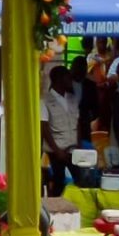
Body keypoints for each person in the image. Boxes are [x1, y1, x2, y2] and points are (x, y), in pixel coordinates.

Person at [40, 65, 81, 196]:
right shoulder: (45, 100)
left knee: (80, 180)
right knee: (58, 182)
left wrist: (78, 144)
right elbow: (44, 127)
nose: (71, 81)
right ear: (59, 79)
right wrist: (57, 150)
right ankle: (55, 206)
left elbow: (78, 123)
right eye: (68, 77)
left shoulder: (72, 98)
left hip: (73, 148)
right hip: (56, 150)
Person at [69, 55, 99, 144]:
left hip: (84, 126)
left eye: (82, 68)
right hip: (67, 125)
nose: (80, 70)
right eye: (78, 67)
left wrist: (90, 117)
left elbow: (96, 107)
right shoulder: (65, 83)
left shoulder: (90, 85)